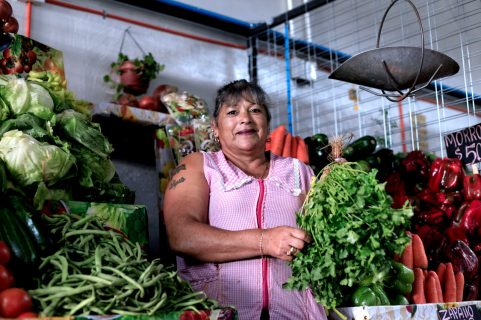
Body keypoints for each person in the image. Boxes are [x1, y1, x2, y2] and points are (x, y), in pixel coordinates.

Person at [163, 79, 327, 320]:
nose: (245, 119)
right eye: (232, 112)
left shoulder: (298, 171)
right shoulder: (199, 166)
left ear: (267, 124)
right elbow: (182, 236)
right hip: (219, 313)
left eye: (255, 110)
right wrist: (265, 241)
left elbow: (323, 241)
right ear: (215, 129)